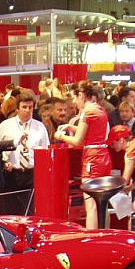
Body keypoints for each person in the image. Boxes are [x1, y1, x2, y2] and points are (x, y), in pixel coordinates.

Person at [55, 82, 111, 229]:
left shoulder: (87, 112)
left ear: (81, 95)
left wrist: (60, 136)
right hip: (103, 156)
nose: (74, 102)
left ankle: (91, 240)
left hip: (92, 159)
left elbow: (77, 140)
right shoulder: (100, 109)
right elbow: (90, 132)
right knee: (102, 203)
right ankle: (103, 235)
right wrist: (70, 126)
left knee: (91, 204)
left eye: (75, 98)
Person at [0, 90, 50, 192]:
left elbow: (45, 151)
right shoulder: (5, 125)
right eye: (24, 107)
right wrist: (4, 162)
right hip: (12, 173)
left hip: (32, 173)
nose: (27, 110)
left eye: (30, 107)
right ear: (17, 108)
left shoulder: (40, 127)